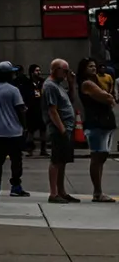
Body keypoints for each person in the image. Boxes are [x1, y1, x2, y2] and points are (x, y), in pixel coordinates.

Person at [0, 60, 30, 197]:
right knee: (16, 160)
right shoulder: (13, 90)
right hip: (14, 131)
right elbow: (20, 109)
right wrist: (25, 127)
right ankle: (15, 186)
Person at [76, 58, 114, 203]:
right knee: (97, 157)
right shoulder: (87, 83)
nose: (93, 68)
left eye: (94, 66)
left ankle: (98, 191)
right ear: (84, 69)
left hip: (104, 122)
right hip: (96, 123)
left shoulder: (95, 81)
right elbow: (106, 97)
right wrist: (109, 98)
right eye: (90, 66)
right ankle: (97, 192)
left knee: (102, 157)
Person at [44, 57, 80, 203]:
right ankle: (53, 193)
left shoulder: (59, 85)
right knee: (56, 160)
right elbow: (52, 111)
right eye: (65, 71)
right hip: (59, 128)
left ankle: (61, 191)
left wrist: (71, 84)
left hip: (67, 128)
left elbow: (70, 100)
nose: (67, 73)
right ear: (56, 70)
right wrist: (62, 129)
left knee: (62, 160)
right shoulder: (50, 86)